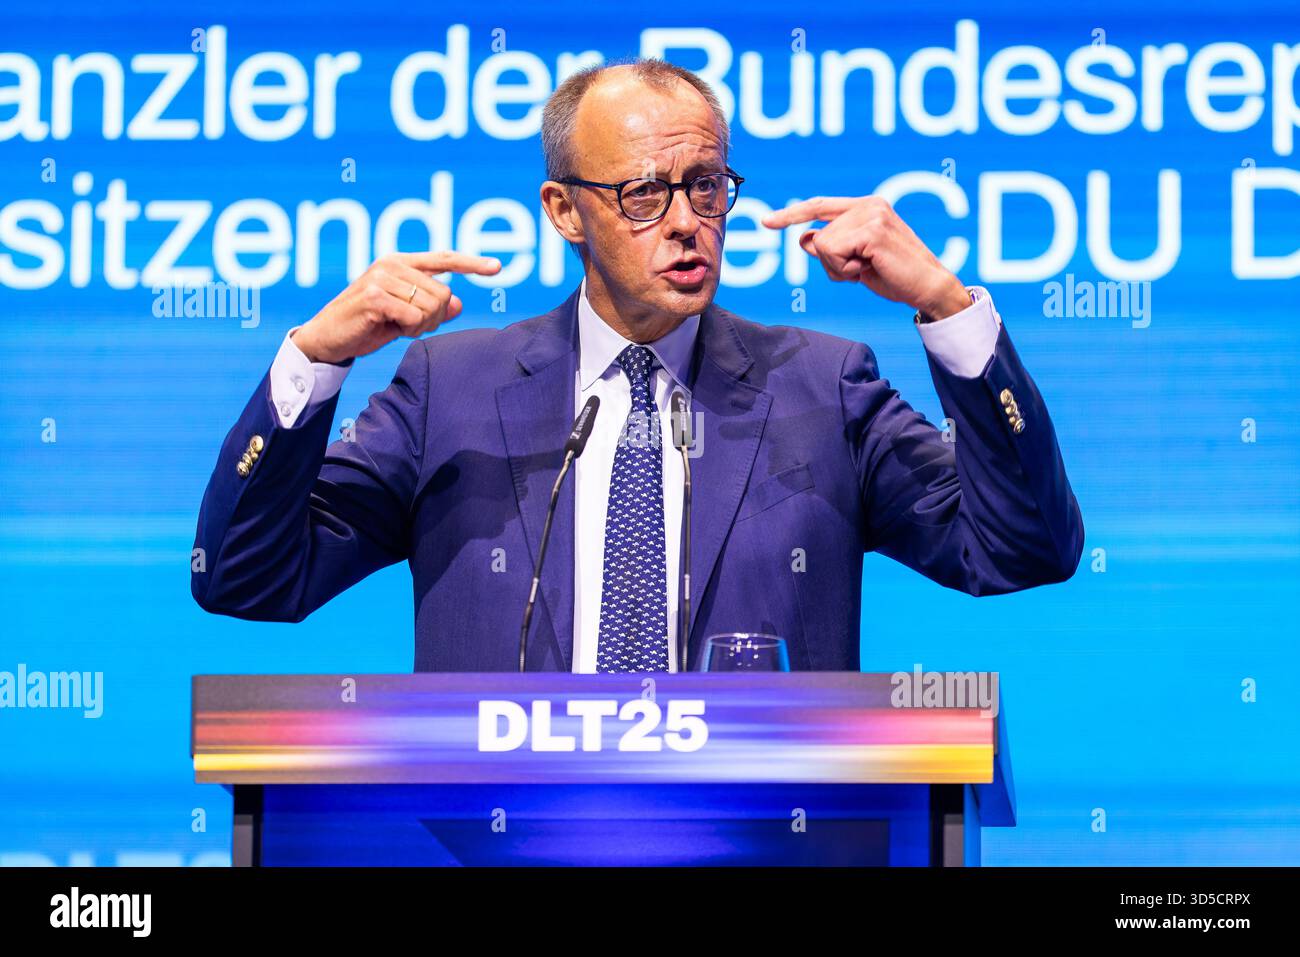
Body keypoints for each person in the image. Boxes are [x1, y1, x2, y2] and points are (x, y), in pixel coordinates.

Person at [191, 58, 1084, 673]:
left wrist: (948, 308)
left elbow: (1022, 549)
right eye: (644, 194)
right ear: (564, 211)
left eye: (707, 186)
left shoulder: (822, 386)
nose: (689, 219)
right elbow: (246, 576)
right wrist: (314, 361)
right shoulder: (447, 392)